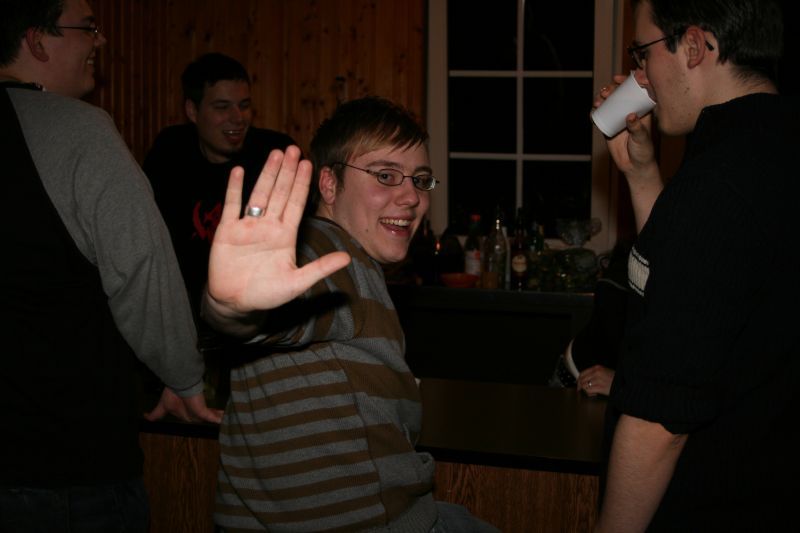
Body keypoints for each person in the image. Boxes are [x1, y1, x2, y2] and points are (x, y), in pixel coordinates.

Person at [202, 97, 499, 532]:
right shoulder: (326, 252)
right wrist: (233, 308)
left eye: (420, 179)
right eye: (385, 175)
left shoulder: (356, 263)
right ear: (329, 184)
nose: (412, 197)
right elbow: (262, 318)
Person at [0, 0, 222, 531]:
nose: (100, 40)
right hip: (68, 472)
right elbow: (143, 269)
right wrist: (184, 379)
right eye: (88, 28)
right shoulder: (79, 130)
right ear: (36, 40)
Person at [592, 1, 799, 531]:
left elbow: (660, 420)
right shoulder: (770, 151)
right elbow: (691, 286)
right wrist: (642, 176)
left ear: (692, 46)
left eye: (642, 53)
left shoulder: (716, 185)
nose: (640, 76)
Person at [143, 52, 296, 322]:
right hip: (182, 309)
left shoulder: (275, 154)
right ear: (192, 111)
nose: (238, 118)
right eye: (222, 107)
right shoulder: (170, 151)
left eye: (244, 105)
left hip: (256, 310)